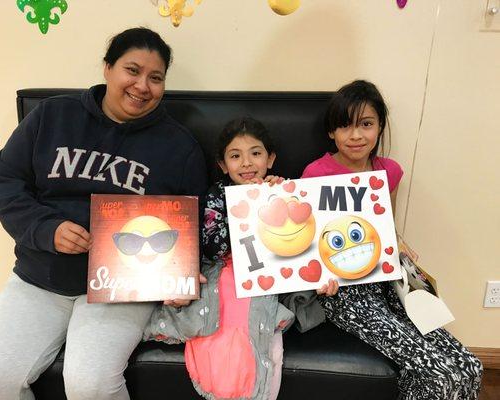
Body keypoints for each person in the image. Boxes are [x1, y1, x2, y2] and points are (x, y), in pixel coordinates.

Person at [0, 27, 207, 400]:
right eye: (132, 70)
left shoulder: (179, 148)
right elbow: (5, 182)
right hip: (39, 276)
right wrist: (46, 229)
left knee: (89, 384)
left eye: (155, 78)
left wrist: (180, 275)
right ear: (108, 68)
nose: (142, 86)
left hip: (121, 287)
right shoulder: (52, 116)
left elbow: (193, 223)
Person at [301, 79, 483, 400]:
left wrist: (397, 241)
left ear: (380, 127)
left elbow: (387, 225)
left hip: (387, 281)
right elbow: (310, 243)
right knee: (433, 371)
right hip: (345, 293)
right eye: (345, 126)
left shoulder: (390, 171)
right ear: (331, 132)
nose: (356, 136)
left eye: (366, 124)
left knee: (469, 367)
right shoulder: (316, 174)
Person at [182, 117, 338, 400]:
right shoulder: (217, 194)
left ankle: (259, 378)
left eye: (255, 153)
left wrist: (273, 197)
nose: (246, 163)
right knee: (227, 305)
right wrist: (246, 207)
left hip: (272, 271)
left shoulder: (284, 190)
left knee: (264, 318)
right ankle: (226, 381)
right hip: (229, 269)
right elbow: (212, 247)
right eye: (235, 156)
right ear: (222, 165)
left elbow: (305, 245)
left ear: (270, 158)